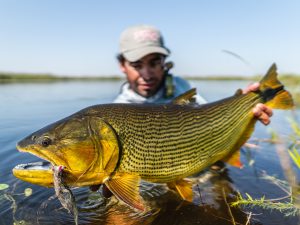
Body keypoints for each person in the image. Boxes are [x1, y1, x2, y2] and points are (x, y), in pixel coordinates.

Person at [114, 24, 272, 125]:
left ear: (164, 62)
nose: (147, 74)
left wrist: (240, 105)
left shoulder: (181, 86)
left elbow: (207, 117)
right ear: (122, 65)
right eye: (137, 65)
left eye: (154, 63)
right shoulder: (116, 113)